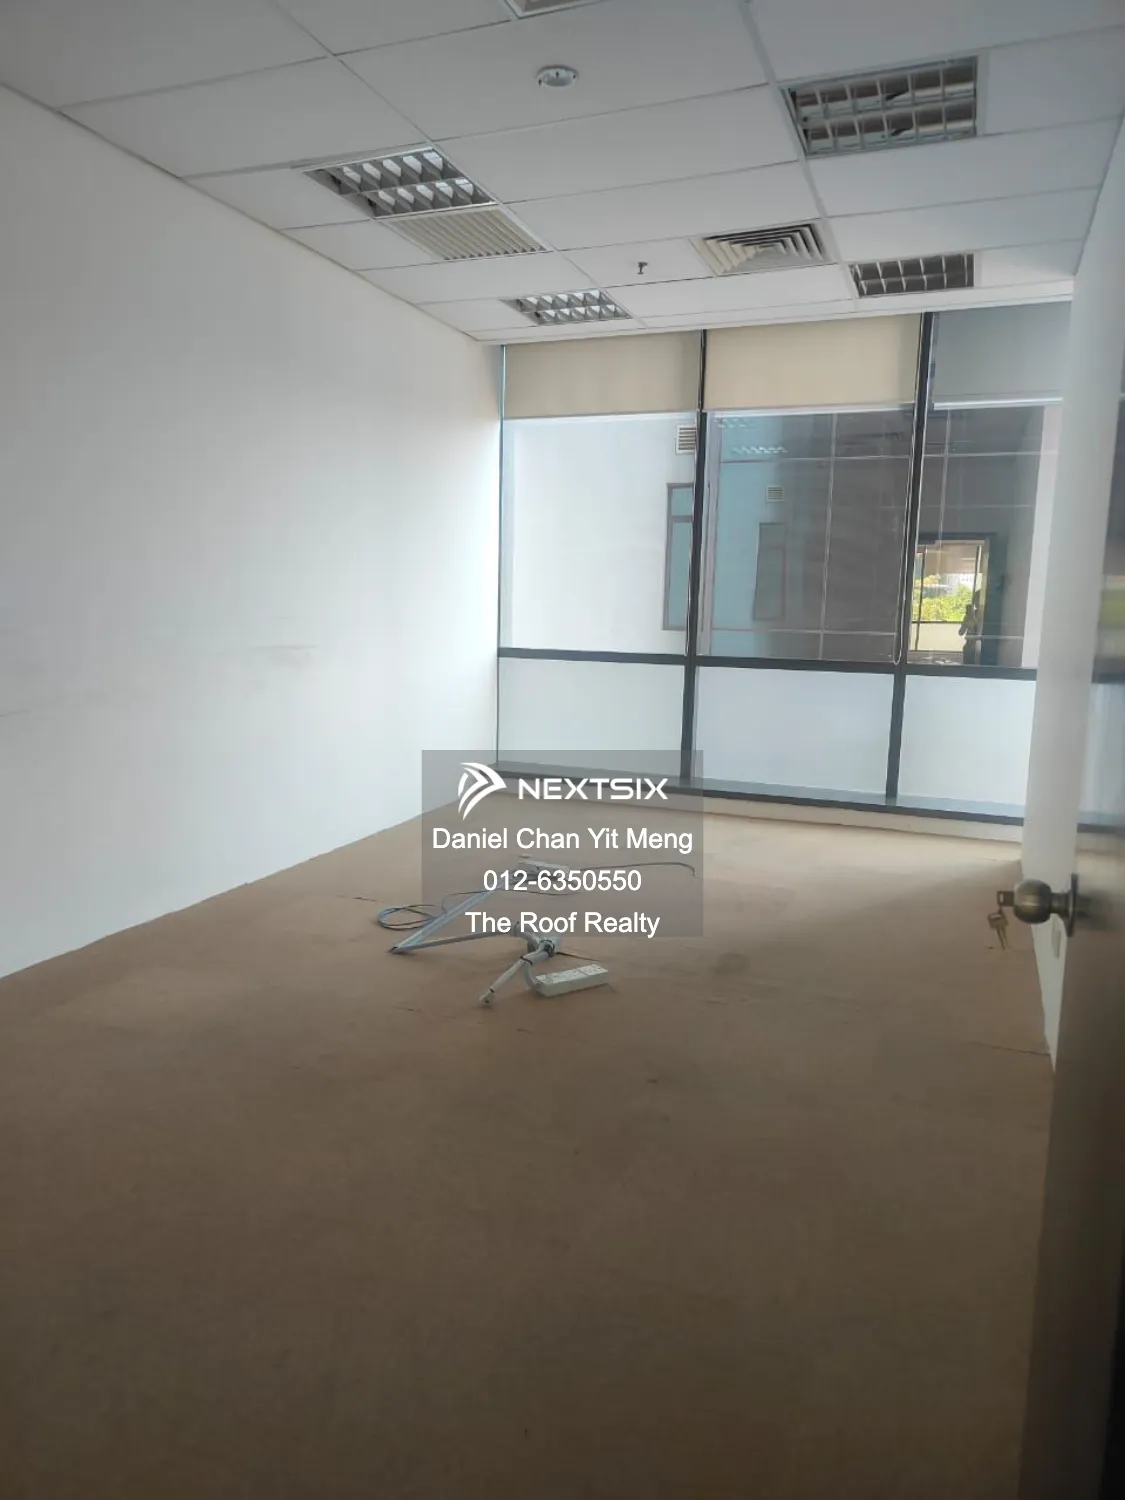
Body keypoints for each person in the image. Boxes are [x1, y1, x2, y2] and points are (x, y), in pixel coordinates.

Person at [959, 591, 983, 665]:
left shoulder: (986, 615)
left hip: (980, 647)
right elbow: (961, 632)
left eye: (978, 599)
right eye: (975, 599)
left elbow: (980, 630)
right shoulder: (971, 614)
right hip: (969, 646)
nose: (976, 602)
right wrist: (966, 621)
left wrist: (975, 622)